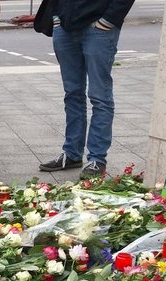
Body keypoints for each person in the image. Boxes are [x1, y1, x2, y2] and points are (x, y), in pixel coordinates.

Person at [38, 0, 134, 180]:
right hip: (65, 27)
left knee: (100, 97)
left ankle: (97, 158)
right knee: (72, 94)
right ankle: (72, 153)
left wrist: (108, 20)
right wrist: (57, 19)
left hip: (99, 27)